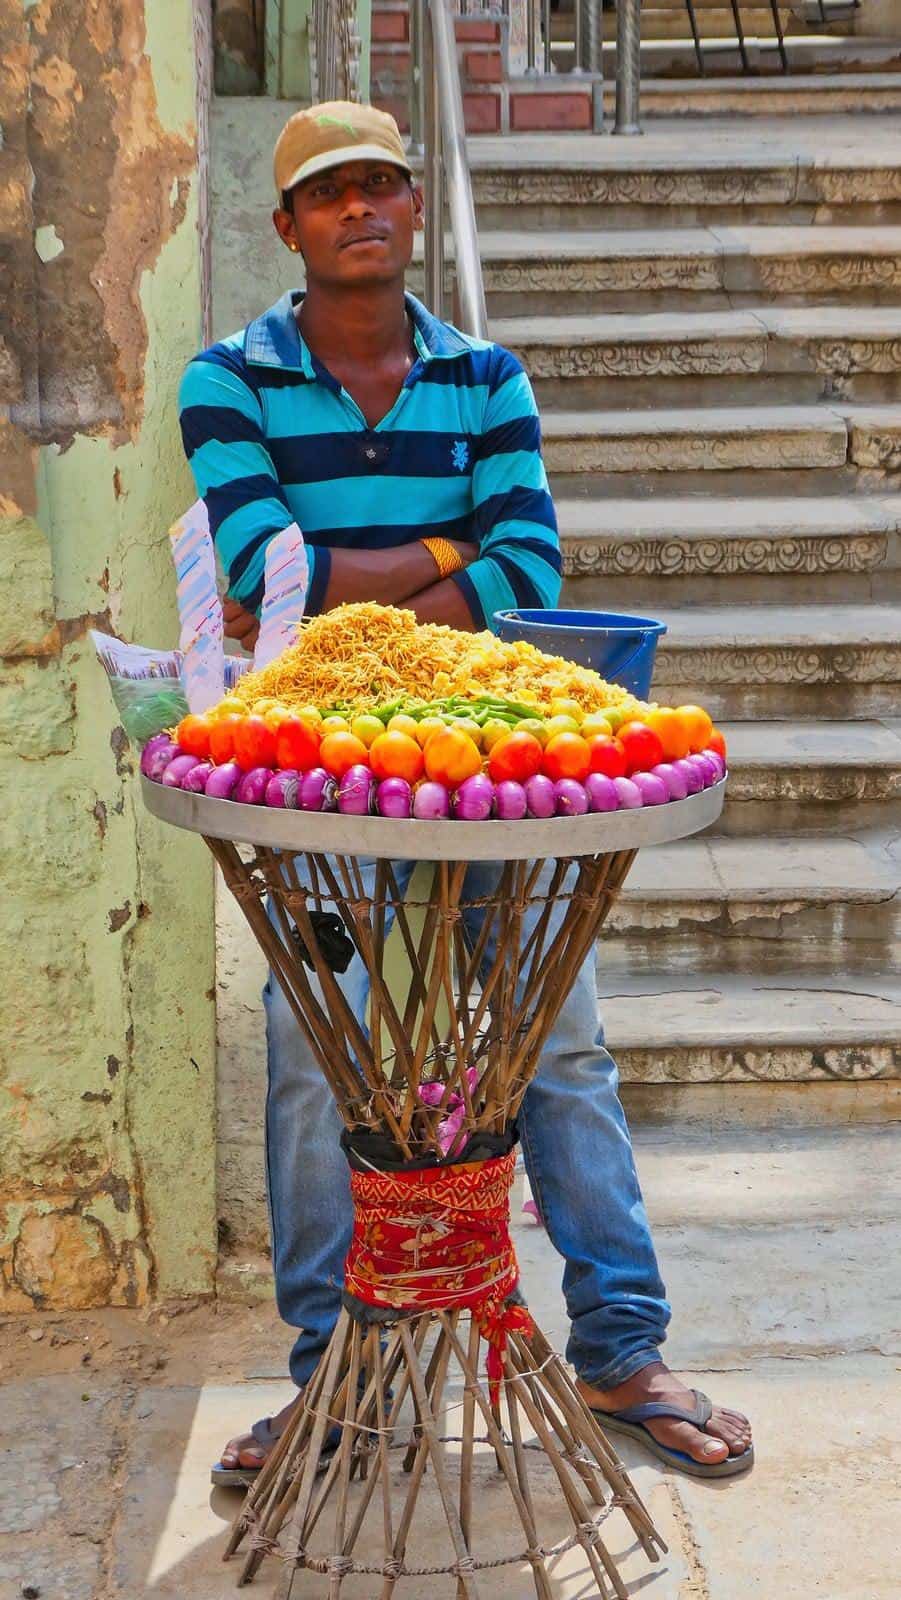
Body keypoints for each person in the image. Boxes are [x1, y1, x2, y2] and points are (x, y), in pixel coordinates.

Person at [179, 101, 753, 1483]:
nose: (359, 209)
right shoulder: (225, 378)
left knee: (560, 1049)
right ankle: (332, 1376)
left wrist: (363, 574)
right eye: (330, 194)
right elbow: (272, 579)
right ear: (288, 227)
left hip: (489, 765)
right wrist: (443, 554)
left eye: (381, 185)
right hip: (315, 779)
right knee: (321, 1060)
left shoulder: (485, 374)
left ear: (411, 208)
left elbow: (531, 573)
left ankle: (619, 1348)